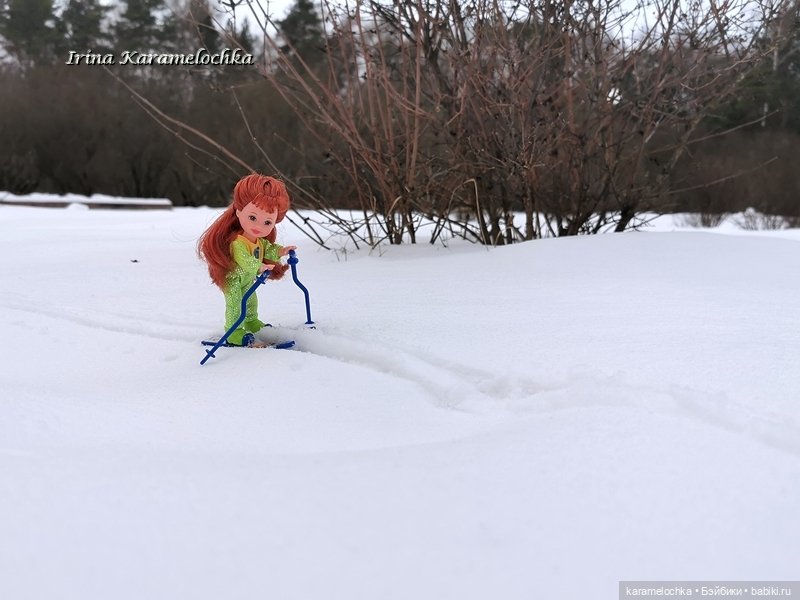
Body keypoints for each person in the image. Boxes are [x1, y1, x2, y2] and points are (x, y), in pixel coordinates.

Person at [198, 173, 297, 346]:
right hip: (233, 280)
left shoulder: (258, 241)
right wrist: (259, 267)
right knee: (236, 305)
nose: (259, 227)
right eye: (252, 218)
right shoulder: (238, 242)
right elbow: (244, 259)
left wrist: (282, 251)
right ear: (239, 212)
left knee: (251, 301)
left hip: (247, 279)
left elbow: (269, 248)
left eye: (267, 222)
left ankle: (251, 322)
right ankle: (233, 332)